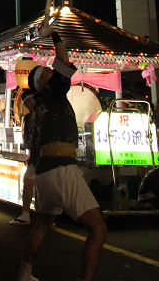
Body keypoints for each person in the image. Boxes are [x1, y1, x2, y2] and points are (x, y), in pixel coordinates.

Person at [16, 22, 107, 281]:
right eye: (46, 71)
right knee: (98, 229)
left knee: (44, 222)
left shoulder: (41, 103)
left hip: (45, 171)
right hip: (62, 167)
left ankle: (25, 272)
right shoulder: (53, 91)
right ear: (42, 81)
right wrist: (53, 34)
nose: (50, 70)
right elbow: (63, 60)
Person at [10, 90, 37, 226]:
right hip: (35, 156)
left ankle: (45, 217)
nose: (30, 104)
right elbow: (27, 140)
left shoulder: (43, 115)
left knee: (42, 186)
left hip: (45, 155)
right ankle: (26, 214)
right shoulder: (27, 118)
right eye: (27, 102)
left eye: (32, 100)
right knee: (28, 184)